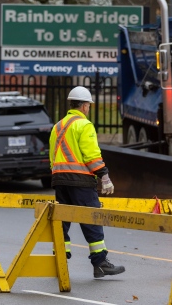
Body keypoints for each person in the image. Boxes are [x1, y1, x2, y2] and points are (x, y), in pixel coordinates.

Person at [49, 86, 125, 278]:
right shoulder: (84, 125)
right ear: (84, 106)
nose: (88, 108)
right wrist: (104, 177)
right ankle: (100, 263)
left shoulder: (57, 126)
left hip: (59, 179)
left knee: (62, 219)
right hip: (81, 181)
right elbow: (91, 155)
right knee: (92, 218)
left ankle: (60, 259)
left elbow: (52, 157)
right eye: (88, 105)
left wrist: (58, 175)